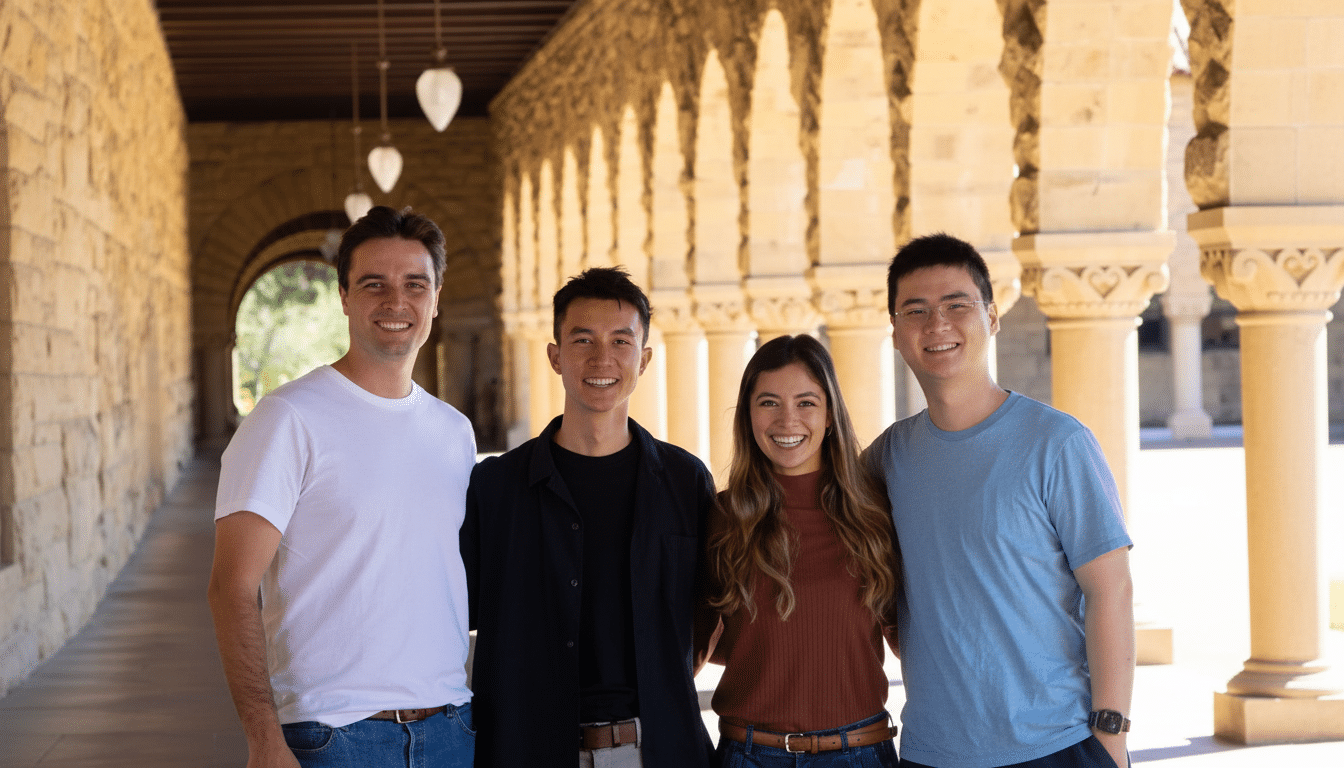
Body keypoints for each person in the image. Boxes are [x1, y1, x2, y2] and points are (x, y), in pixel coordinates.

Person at [207, 206, 477, 768]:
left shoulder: (453, 432)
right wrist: (264, 740)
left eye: (414, 285)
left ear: (436, 297)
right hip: (332, 736)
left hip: (450, 729)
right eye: (373, 284)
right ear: (344, 296)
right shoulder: (288, 419)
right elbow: (231, 588)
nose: (396, 303)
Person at [863, 233, 1135, 768]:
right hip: (932, 753)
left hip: (1056, 745)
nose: (936, 324)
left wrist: (1111, 736)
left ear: (991, 317)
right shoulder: (887, 459)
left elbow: (1111, 591)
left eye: (956, 305)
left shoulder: (1057, 443)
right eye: (914, 310)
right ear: (895, 333)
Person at [461, 266, 716, 768]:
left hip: (660, 752)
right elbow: (455, 615)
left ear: (643, 359)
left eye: (622, 341)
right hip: (526, 752)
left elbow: (709, 620)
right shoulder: (494, 489)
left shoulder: (686, 482)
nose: (603, 358)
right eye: (583, 340)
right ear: (555, 355)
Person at [696, 334, 902, 767]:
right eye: (768, 402)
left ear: (830, 416)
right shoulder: (723, 516)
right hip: (749, 755)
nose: (787, 420)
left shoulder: (876, 513)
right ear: (748, 416)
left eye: (806, 402)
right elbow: (696, 642)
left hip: (859, 753)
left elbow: (914, 637)